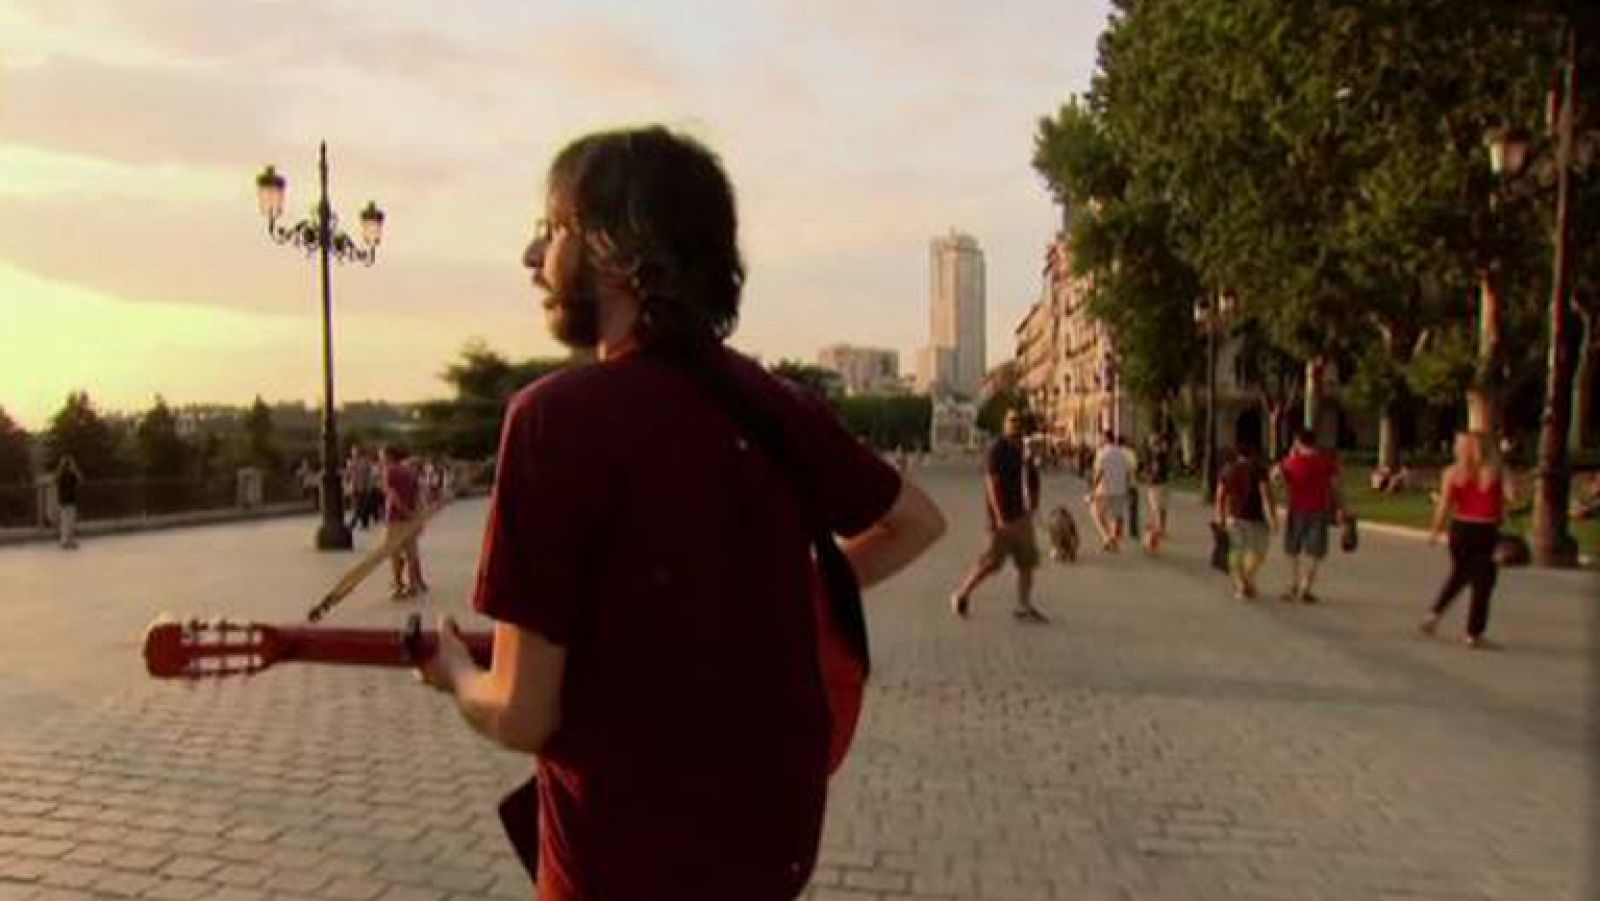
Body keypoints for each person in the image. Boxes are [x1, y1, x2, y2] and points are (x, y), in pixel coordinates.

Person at [417, 126, 946, 901]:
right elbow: (920, 521)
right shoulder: (773, 402)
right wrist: (789, 590)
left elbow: (524, 712)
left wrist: (458, 673)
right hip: (768, 850)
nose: (535, 260)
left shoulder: (552, 420)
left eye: (554, 229)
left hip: (620, 866)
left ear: (618, 250)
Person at [949, 410, 1048, 623]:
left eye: (1019, 422)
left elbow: (1032, 478)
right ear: (1004, 424)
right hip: (1002, 518)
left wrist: (1034, 506)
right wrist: (999, 515)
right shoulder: (998, 449)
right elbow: (991, 483)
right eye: (1012, 421)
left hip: (1022, 516)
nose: (1016, 425)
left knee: (1027, 562)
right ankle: (962, 594)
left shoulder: (1024, 449)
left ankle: (1024, 605)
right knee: (991, 563)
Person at [1421, 432, 1516, 649]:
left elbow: (1444, 505)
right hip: (1486, 529)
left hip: (1461, 528)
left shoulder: (1452, 473)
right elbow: (1512, 497)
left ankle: (1434, 614)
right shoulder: (1496, 470)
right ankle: (1473, 632)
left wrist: (1436, 531)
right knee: (1483, 582)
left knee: (1460, 574)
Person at [1276, 427, 1343, 603]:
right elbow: (1336, 486)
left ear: (1298, 442)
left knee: (1292, 550)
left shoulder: (1290, 462)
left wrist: (1289, 457)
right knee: (1315, 551)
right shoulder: (1326, 462)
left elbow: (1278, 481)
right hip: (1319, 509)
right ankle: (1307, 587)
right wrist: (1342, 507)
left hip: (1296, 508)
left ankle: (1293, 585)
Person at [1216, 442, 1277, 599]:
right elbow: (1265, 494)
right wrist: (1273, 517)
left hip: (1233, 517)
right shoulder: (1258, 469)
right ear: (1252, 454)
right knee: (1259, 552)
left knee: (1236, 551)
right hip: (1255, 517)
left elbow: (1220, 496)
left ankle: (1242, 583)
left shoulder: (1227, 470)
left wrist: (1220, 517)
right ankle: (1247, 579)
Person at [381, 444, 428, 599]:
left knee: (393, 553)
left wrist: (404, 510)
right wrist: (416, 515)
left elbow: (392, 495)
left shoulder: (389, 471)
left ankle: (398, 585)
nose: (380, 458)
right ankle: (414, 585)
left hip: (395, 518)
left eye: (382, 455)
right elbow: (418, 495)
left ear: (389, 456)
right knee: (411, 553)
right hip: (411, 519)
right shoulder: (411, 472)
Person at [1089, 430, 1134, 552]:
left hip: (1105, 488)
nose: (1098, 441)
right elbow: (1129, 472)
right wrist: (1128, 487)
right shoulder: (1123, 453)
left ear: (1105, 439)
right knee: (1115, 516)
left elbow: (1098, 472)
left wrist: (1092, 489)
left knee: (1096, 512)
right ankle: (1112, 543)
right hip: (1120, 488)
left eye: (1100, 438)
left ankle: (1107, 537)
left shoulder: (1102, 453)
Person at [1139, 432, 1173, 553]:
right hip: (1157, 484)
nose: (1154, 444)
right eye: (1152, 442)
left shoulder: (1159, 454)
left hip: (1159, 484)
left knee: (1159, 511)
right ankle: (1152, 541)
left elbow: (1158, 468)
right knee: (1157, 512)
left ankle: (1152, 541)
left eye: (1155, 441)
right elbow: (1149, 468)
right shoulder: (1152, 454)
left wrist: (1149, 474)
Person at [55, 456, 83, 550]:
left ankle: (65, 541)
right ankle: (68, 541)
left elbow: (79, 480)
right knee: (69, 522)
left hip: (63, 500)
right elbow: (80, 480)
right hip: (69, 500)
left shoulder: (60, 475)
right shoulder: (69, 474)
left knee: (65, 522)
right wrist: (75, 469)